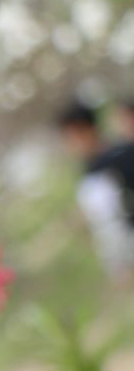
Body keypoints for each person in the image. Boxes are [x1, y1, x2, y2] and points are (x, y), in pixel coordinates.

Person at [57, 101, 134, 279]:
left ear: (86, 130)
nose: (71, 145)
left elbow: (110, 224)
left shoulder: (110, 165)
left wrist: (119, 266)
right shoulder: (92, 169)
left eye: (72, 136)